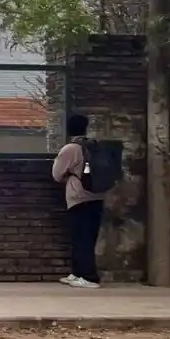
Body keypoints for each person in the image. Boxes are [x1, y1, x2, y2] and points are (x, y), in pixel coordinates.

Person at [51, 114, 107, 289]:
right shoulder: (95, 146)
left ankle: (89, 277)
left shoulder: (71, 149)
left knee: (81, 238)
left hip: (79, 197)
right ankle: (77, 273)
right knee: (87, 237)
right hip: (97, 196)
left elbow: (57, 174)